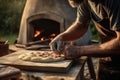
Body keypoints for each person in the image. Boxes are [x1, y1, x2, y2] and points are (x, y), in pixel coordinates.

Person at [49, 0, 120, 80]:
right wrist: (62, 36)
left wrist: (79, 50)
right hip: (107, 59)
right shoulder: (85, 1)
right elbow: (80, 26)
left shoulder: (114, 2)